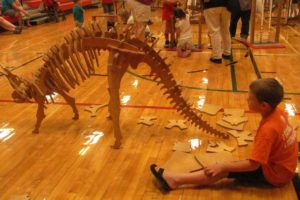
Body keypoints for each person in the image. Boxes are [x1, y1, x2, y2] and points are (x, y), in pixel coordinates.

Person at [150, 78, 298, 191]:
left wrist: (222, 166)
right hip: (285, 167)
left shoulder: (268, 130)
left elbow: (253, 165)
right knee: (228, 166)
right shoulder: (280, 112)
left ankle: (174, 180)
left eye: (250, 98)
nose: (247, 99)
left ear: (264, 105)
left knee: (222, 170)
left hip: (275, 176)